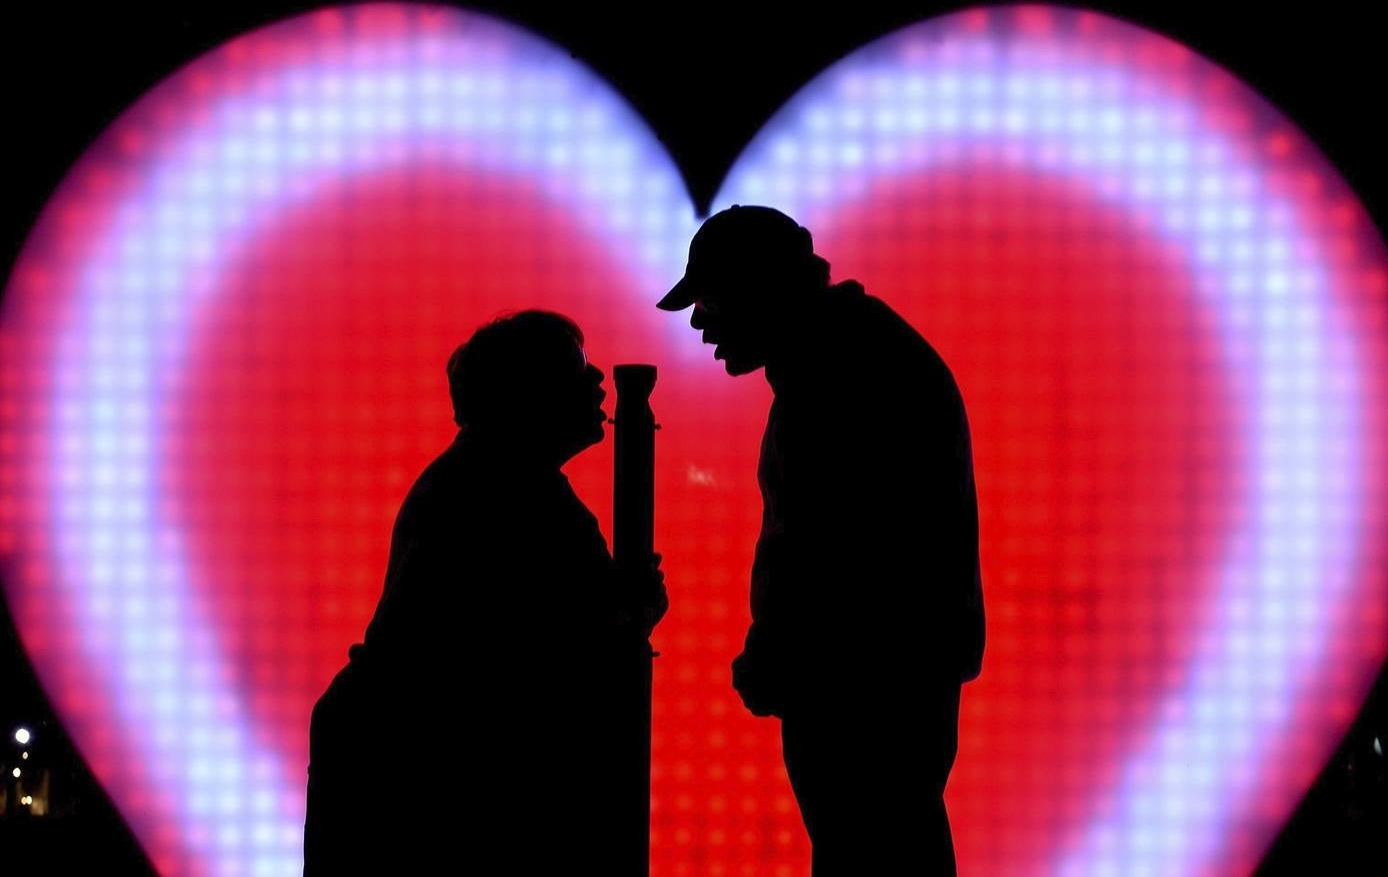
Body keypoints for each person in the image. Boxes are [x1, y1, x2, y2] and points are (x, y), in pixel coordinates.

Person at [658, 206, 985, 875]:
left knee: (870, 846)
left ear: (761, 289)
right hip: (884, 671)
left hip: (857, 681)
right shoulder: (858, 356)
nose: (699, 321)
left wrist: (778, 650)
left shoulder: (837, 377)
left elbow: (828, 547)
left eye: (712, 298)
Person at [304, 310, 668, 874]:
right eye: (576, 369)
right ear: (527, 392)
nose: (598, 381)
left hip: (405, 749)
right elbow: (549, 636)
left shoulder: (495, 475)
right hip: (423, 763)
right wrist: (628, 608)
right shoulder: (509, 489)